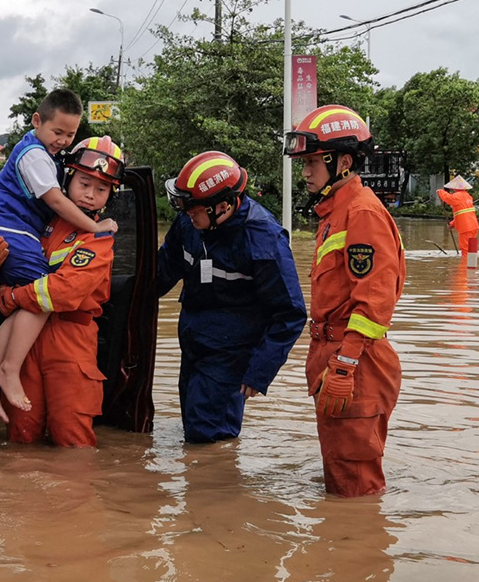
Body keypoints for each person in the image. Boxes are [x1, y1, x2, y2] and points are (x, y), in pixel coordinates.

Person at [0, 90, 117, 422]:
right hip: (32, 347)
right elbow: (56, 202)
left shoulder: (81, 235)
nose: (90, 195)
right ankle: (4, 371)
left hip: (68, 346)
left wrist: (11, 295)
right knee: (24, 436)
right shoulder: (43, 177)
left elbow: (58, 292)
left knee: (71, 437)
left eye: (101, 189)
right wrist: (96, 228)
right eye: (84, 183)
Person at [285, 104, 406, 497]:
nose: (305, 172)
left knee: (355, 491)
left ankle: (356, 554)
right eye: (303, 163)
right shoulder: (334, 213)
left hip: (355, 365)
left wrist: (345, 366)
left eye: (313, 162)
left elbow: (374, 301)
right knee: (340, 478)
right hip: (337, 359)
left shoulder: (362, 213)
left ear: (344, 162)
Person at [157, 151, 306, 444]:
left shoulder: (263, 240)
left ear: (222, 207)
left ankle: (217, 486)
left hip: (231, 353)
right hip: (193, 340)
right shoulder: (190, 222)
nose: (186, 214)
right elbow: (161, 272)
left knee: (208, 438)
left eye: (193, 209)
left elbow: (290, 314)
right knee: (192, 424)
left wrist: (259, 372)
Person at [436, 175, 477, 258]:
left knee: (465, 248)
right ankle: (472, 266)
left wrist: (440, 192)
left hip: (466, 227)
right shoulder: (468, 196)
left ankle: (464, 266)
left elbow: (449, 199)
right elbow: (462, 213)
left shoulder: (458, 196)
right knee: (472, 248)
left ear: (455, 188)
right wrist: (453, 224)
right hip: (473, 226)